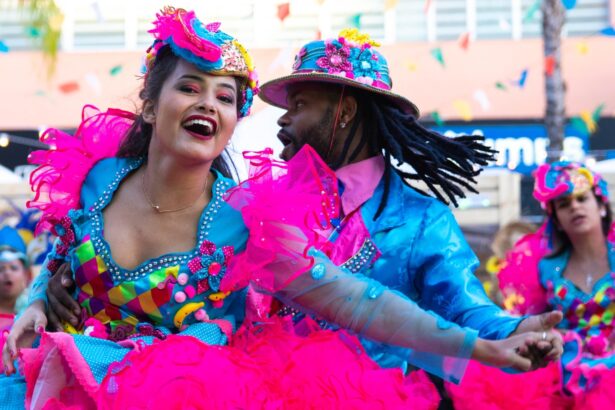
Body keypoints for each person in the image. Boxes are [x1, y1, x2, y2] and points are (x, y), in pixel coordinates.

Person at [0, 8, 555, 409]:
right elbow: (59, 258)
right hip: (65, 383)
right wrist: (36, 301)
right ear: (150, 104)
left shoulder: (253, 222)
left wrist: (484, 343)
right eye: (190, 87)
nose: (209, 105)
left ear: (343, 112)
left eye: (225, 97)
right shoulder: (96, 179)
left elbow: (362, 303)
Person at [447, 161, 615, 408]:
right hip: (562, 367)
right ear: (556, 219)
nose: (575, 207)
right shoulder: (542, 267)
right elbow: (528, 323)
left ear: (601, 206)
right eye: (564, 204)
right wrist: (554, 338)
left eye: (582, 198)